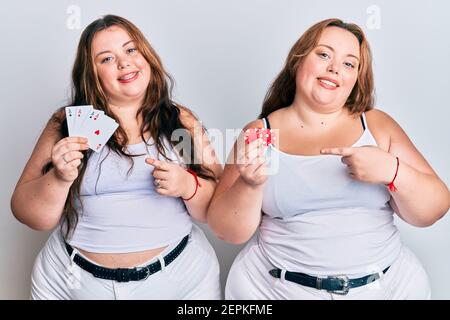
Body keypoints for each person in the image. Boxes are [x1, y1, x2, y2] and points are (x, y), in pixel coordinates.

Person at [207, 18, 450, 299]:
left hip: (386, 288)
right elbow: (227, 231)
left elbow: (435, 209)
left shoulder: (376, 126)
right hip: (277, 291)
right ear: (298, 60)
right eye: (323, 54)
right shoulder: (260, 133)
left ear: (357, 78)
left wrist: (392, 171)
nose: (334, 68)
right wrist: (247, 186)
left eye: (349, 63)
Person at [11, 15, 222, 300]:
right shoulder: (67, 123)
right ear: (91, 74)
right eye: (107, 59)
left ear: (147, 56)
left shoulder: (179, 121)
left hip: (180, 280)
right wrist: (59, 178)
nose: (124, 63)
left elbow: (221, 210)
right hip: (72, 283)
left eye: (131, 50)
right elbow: (27, 212)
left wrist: (188, 186)